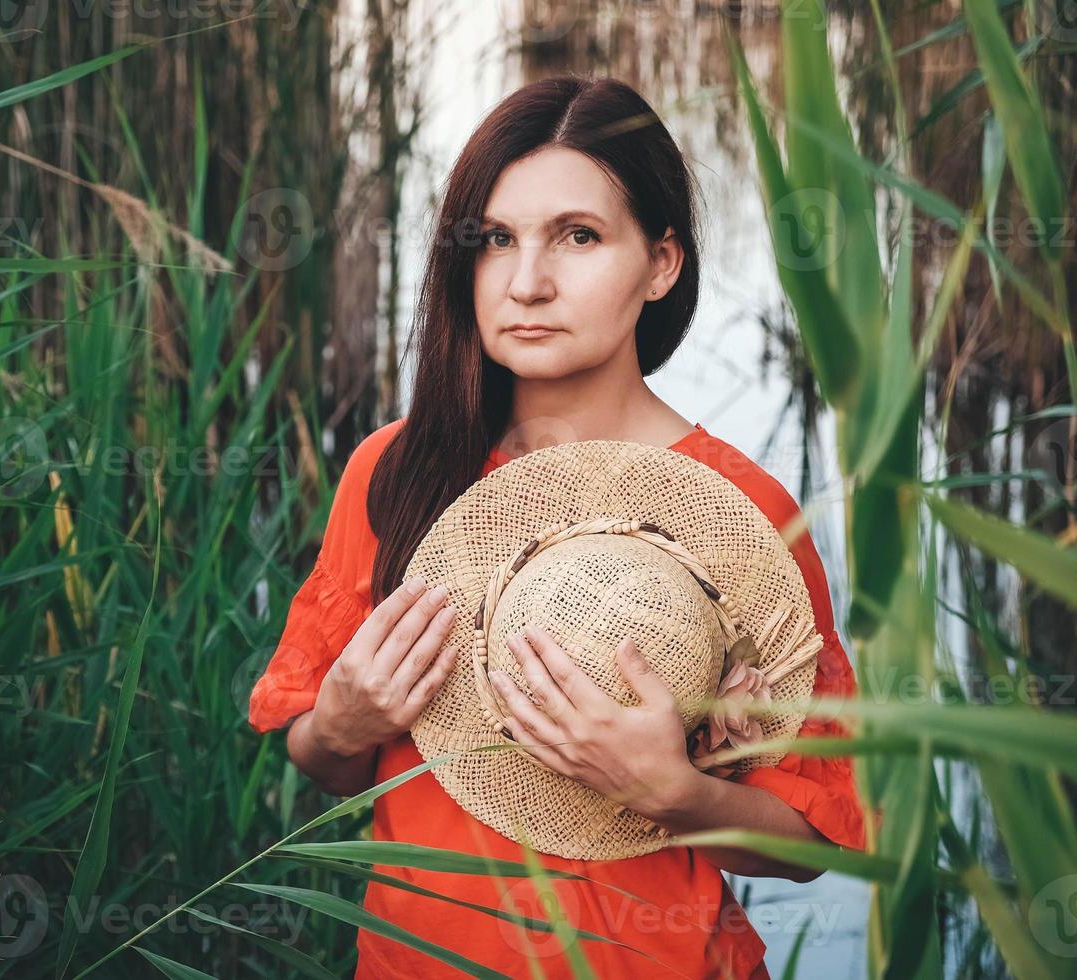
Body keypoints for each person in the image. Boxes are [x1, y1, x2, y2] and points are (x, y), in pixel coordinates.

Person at [248, 73, 865, 979]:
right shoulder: (399, 471)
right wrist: (340, 722)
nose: (528, 283)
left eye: (578, 237)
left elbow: (812, 834)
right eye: (497, 239)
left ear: (662, 262)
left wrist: (676, 793)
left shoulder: (738, 512)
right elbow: (323, 754)